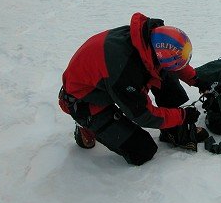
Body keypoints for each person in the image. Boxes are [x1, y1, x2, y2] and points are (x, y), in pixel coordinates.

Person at [58, 12, 208, 165]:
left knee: (164, 74)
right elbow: (144, 115)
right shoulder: (125, 71)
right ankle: (86, 126)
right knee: (142, 150)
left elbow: (171, 60)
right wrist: (182, 116)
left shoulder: (147, 39)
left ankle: (173, 132)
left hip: (108, 81)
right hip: (84, 101)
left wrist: (195, 79)